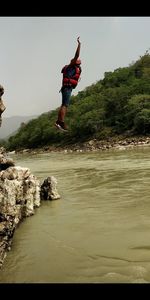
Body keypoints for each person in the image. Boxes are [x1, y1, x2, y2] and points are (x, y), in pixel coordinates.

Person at [55, 37, 82, 131]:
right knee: (65, 105)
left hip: (67, 88)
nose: (79, 63)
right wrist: (79, 44)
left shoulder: (73, 68)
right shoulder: (71, 66)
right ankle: (61, 122)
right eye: (77, 62)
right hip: (67, 88)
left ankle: (59, 121)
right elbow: (77, 55)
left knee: (64, 104)